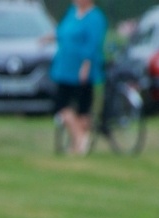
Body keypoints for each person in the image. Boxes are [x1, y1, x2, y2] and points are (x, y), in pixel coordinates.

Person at [50, 0, 108, 156]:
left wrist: (86, 65)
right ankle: (79, 141)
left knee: (83, 108)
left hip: (81, 69)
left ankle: (80, 142)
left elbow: (93, 43)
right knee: (62, 106)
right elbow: (63, 32)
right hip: (65, 67)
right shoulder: (72, 12)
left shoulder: (95, 17)